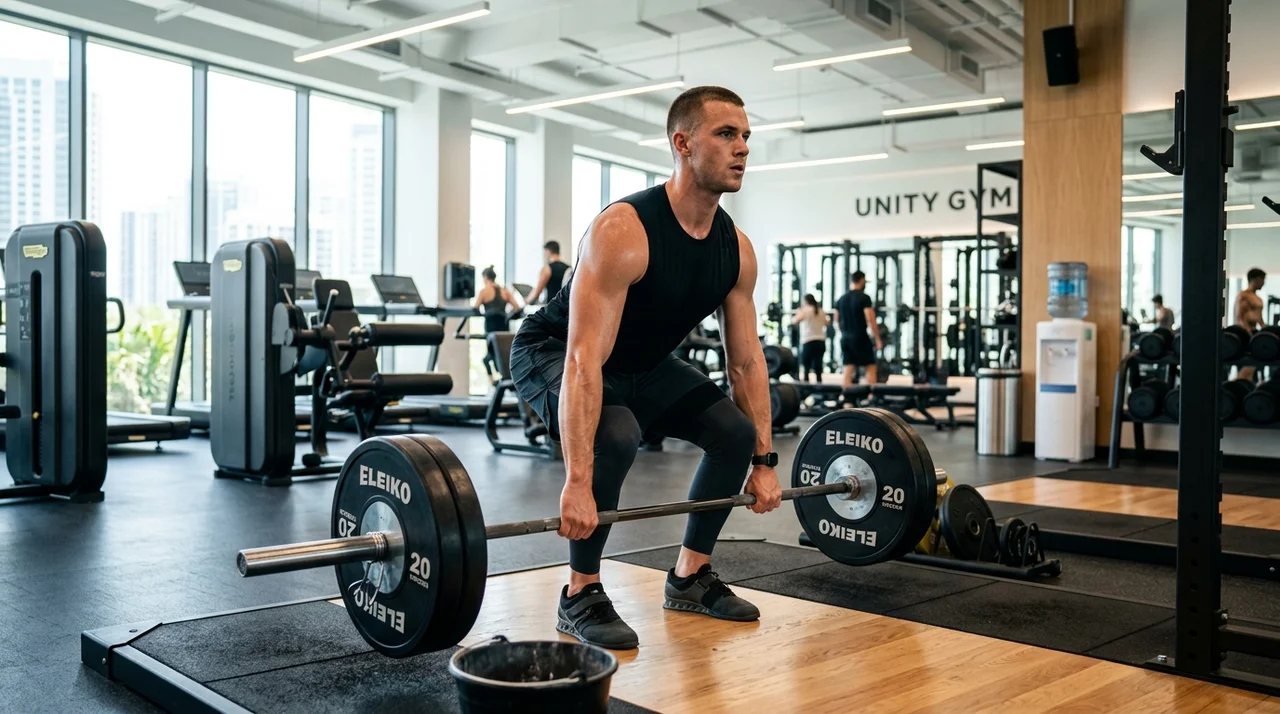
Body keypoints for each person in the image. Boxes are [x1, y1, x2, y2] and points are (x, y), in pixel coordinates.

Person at [509, 86, 777, 650]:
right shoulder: (624, 230)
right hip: (554, 351)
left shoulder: (737, 250)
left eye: (746, 136)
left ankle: (689, 576)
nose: (742, 148)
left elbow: (746, 360)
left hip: (644, 364)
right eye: (726, 134)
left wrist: (764, 461)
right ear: (683, 143)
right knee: (616, 433)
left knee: (733, 433)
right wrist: (577, 483)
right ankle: (580, 591)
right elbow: (583, 359)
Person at [833, 271, 883, 388]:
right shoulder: (864, 298)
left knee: (848, 367)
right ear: (861, 280)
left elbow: (836, 321)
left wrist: (843, 333)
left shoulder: (841, 299)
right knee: (870, 366)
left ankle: (846, 396)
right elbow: (870, 319)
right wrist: (877, 339)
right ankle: (871, 396)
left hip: (846, 338)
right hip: (860, 337)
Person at [474, 266, 524, 378]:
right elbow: (517, 308)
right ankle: (503, 377)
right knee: (502, 353)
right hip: (503, 326)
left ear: (485, 277)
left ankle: (495, 380)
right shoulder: (505, 291)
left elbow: (475, 308)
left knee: (490, 355)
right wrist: (507, 315)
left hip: (491, 325)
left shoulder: (484, 291)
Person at [1236, 268, 1266, 380]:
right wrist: (1247, 332)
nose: (1263, 283)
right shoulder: (1244, 295)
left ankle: (1251, 385)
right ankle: (1240, 384)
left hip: (1254, 332)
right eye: (1262, 280)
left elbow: (1260, 319)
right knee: (1247, 366)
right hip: (1245, 333)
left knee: (1254, 365)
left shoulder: (1258, 298)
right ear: (1255, 279)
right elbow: (1240, 316)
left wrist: (1266, 331)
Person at [791, 294, 828, 382]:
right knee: (818, 362)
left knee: (806, 364)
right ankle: (819, 381)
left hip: (808, 340)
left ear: (806, 301)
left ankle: (806, 383)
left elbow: (794, 321)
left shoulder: (805, 311)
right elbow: (827, 323)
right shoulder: (821, 310)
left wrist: (798, 312)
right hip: (820, 339)